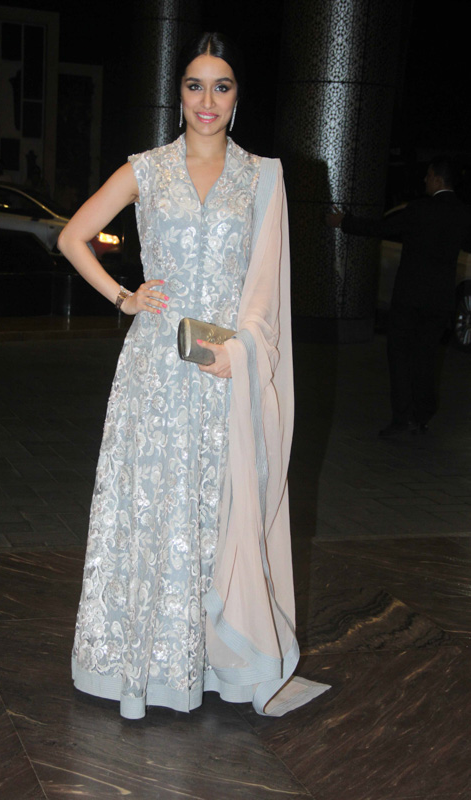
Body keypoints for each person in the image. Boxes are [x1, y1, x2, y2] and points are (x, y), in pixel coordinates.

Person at [58, 32, 329, 720]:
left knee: (218, 508)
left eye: (221, 86)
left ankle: (214, 659)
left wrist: (239, 352)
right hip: (156, 366)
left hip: (227, 369)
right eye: (194, 85)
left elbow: (266, 286)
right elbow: (71, 236)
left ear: (237, 98)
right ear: (178, 94)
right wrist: (123, 296)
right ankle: (147, 664)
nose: (207, 99)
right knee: (156, 510)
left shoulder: (261, 176)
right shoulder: (146, 169)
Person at [326, 157, 471, 437]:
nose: (425, 180)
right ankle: (423, 414)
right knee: (427, 357)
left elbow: (382, 228)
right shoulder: (463, 213)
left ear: (438, 179)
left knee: (400, 356)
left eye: (428, 175)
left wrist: (344, 222)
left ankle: (403, 418)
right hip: (440, 300)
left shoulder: (420, 209)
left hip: (410, 298)